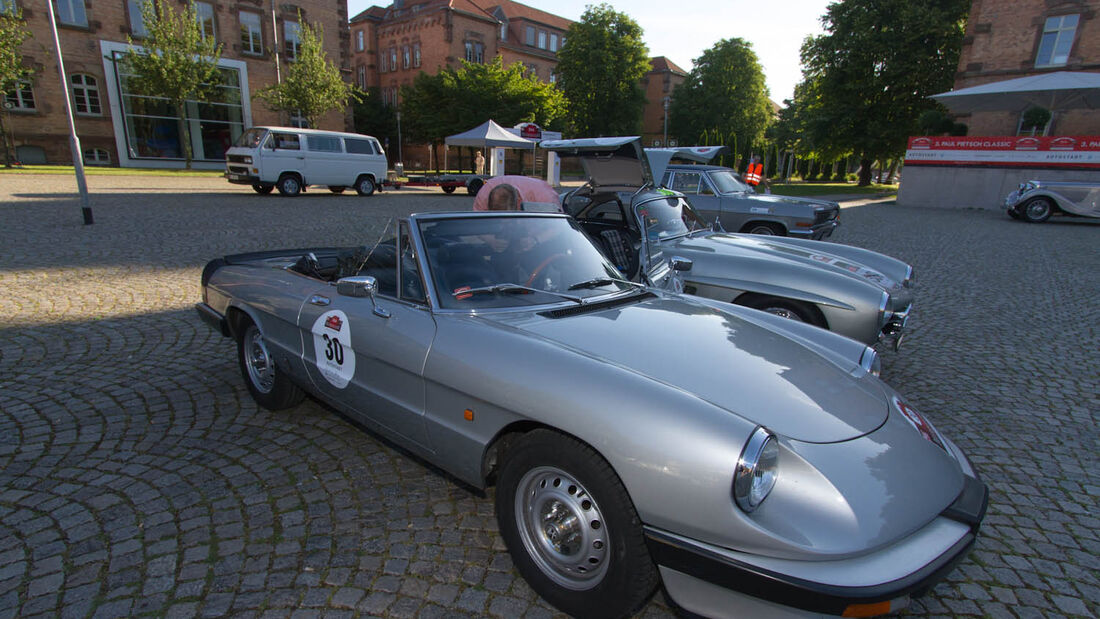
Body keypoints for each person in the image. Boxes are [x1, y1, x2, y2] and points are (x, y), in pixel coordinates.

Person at [472, 175, 563, 212]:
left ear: (518, 202)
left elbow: (559, 226)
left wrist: (536, 240)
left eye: (506, 219)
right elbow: (477, 225)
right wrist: (490, 240)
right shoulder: (484, 195)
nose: (503, 224)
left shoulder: (545, 197)